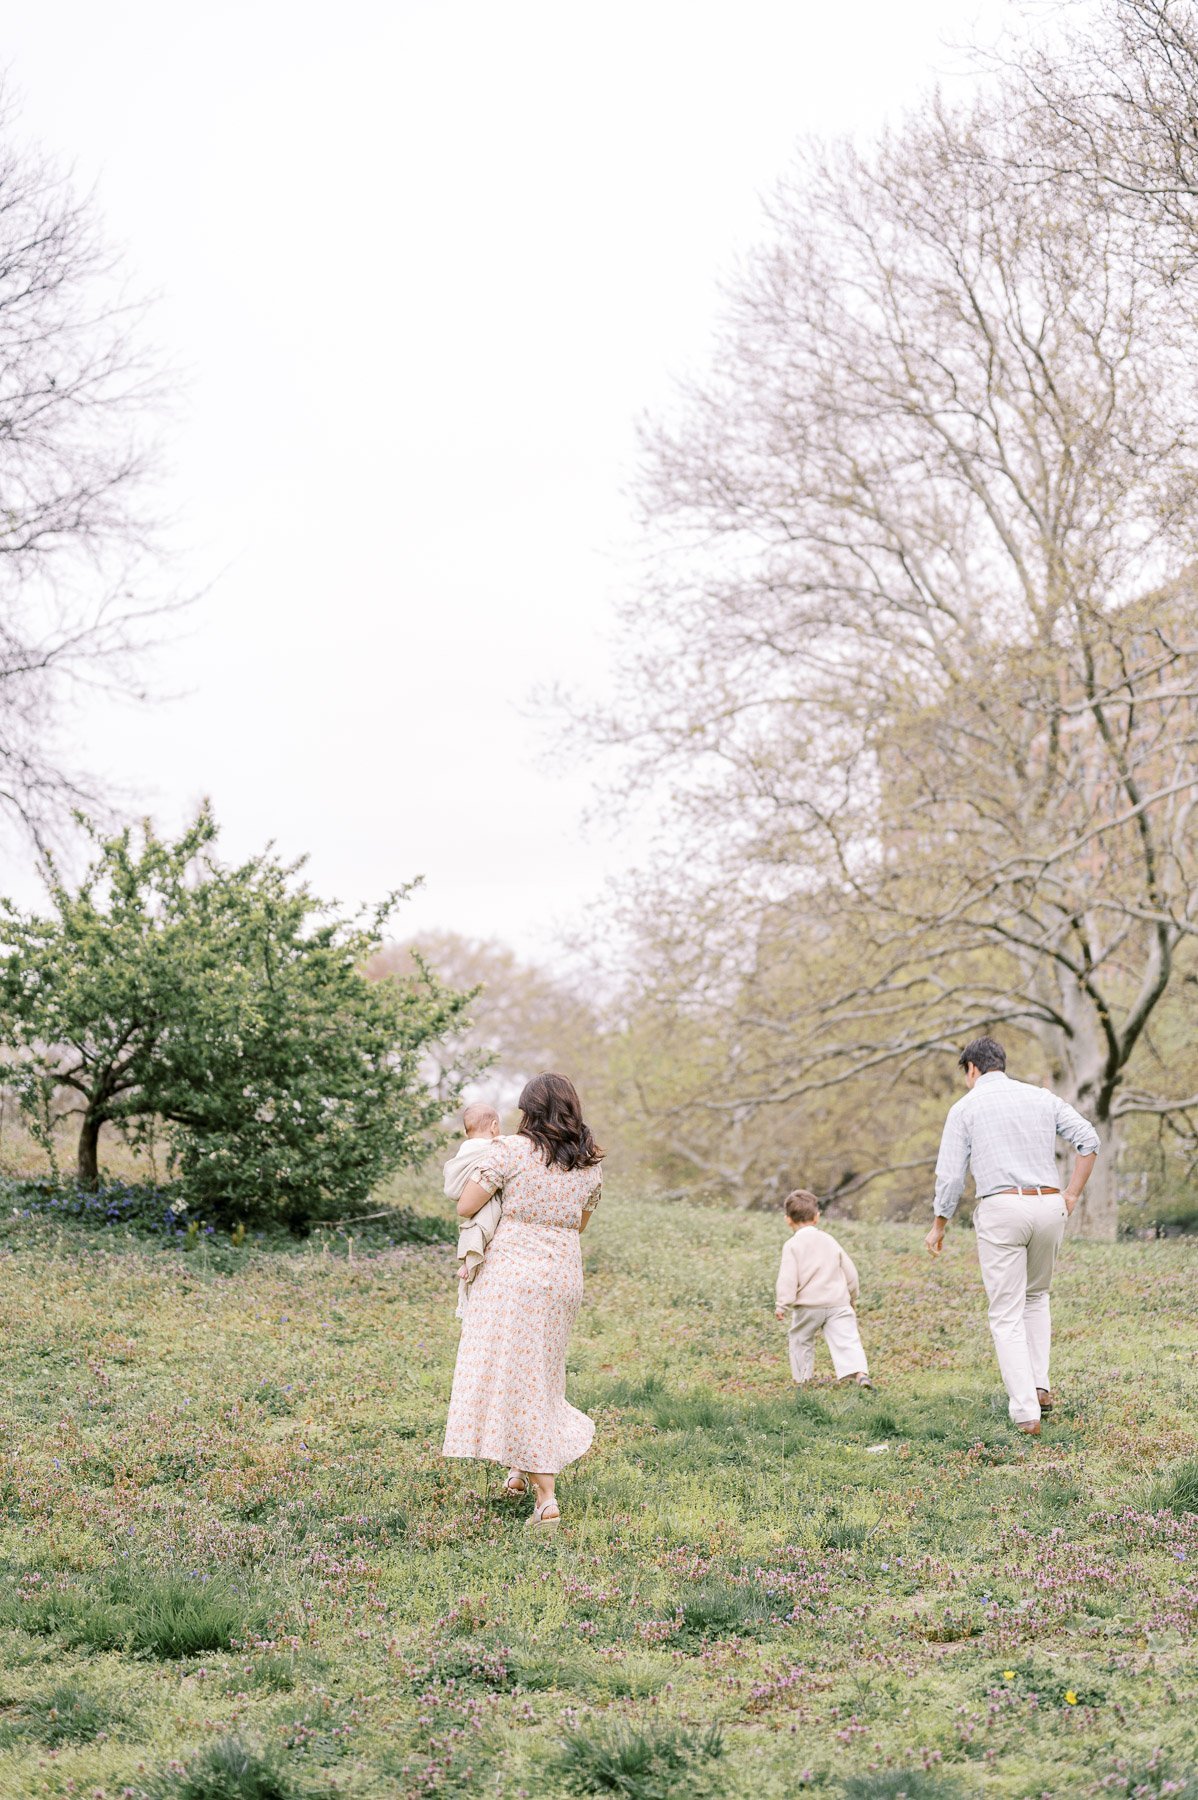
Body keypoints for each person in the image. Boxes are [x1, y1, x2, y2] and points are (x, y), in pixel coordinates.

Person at [442, 1071, 603, 1527]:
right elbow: (580, 1224)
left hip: (512, 1275)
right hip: (562, 1275)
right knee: (539, 1372)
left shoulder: (510, 1151)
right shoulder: (589, 1161)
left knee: (516, 1375)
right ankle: (517, 1470)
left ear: (528, 1109)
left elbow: (465, 1204)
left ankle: (546, 1497)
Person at [926, 1035, 1099, 1436]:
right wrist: (1071, 1193)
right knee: (1036, 1298)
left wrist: (939, 1225)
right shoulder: (1042, 1098)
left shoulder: (965, 1107)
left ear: (972, 1069)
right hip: (1048, 1205)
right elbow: (1090, 1140)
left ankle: (1025, 1413)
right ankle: (1039, 1386)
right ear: (1000, 1063)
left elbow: (951, 1175)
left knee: (1005, 1312)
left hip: (1002, 1207)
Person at [774, 1189, 874, 1389]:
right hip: (838, 1302)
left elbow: (788, 1277)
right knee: (847, 1340)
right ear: (817, 1217)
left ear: (787, 1220)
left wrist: (782, 1304)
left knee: (801, 1340)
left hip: (808, 1307)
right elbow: (850, 1272)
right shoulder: (830, 1240)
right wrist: (852, 1297)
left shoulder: (792, 1245)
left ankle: (802, 1380)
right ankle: (860, 1374)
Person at [443, 1101, 503, 1319]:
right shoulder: (490, 1148)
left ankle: (469, 1262)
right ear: (494, 1126)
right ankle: (470, 1263)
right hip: (476, 1193)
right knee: (487, 1217)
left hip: (471, 1192)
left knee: (475, 1225)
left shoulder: (465, 1148)